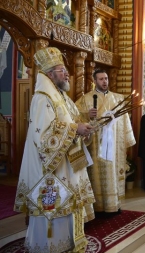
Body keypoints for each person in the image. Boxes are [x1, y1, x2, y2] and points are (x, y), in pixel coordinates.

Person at [14, 47, 95, 252]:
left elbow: (74, 122)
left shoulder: (63, 98)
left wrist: (83, 130)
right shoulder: (42, 97)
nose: (66, 73)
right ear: (50, 74)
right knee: (53, 208)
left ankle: (69, 244)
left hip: (68, 164)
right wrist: (75, 129)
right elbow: (43, 137)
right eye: (61, 70)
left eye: (65, 70)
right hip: (51, 169)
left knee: (67, 207)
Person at [75, 69, 136, 215]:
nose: (104, 82)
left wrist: (126, 142)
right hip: (95, 147)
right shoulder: (86, 99)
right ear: (94, 81)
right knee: (96, 176)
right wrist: (85, 114)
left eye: (106, 78)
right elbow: (74, 116)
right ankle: (98, 207)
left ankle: (114, 205)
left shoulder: (118, 99)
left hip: (113, 147)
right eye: (101, 79)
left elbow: (124, 121)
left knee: (113, 174)